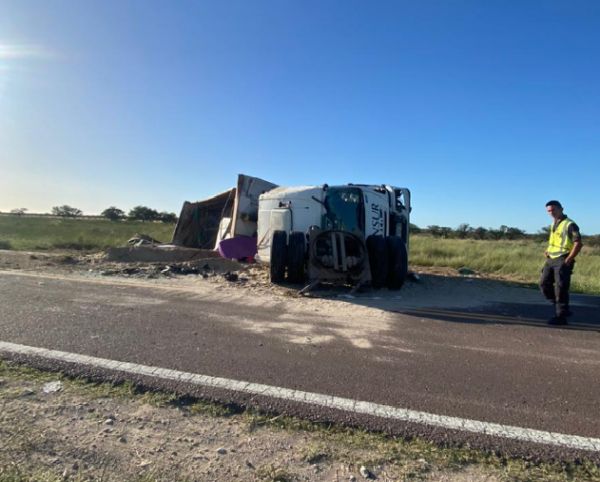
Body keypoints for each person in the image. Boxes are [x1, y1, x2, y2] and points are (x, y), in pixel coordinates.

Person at [540, 200, 583, 325]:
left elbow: (578, 243)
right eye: (549, 211)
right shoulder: (554, 223)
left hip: (562, 259)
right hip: (551, 259)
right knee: (544, 284)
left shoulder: (570, 224)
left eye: (554, 210)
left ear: (561, 209)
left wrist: (569, 258)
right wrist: (548, 250)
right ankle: (562, 307)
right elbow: (555, 241)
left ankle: (561, 316)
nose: (551, 212)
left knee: (561, 287)